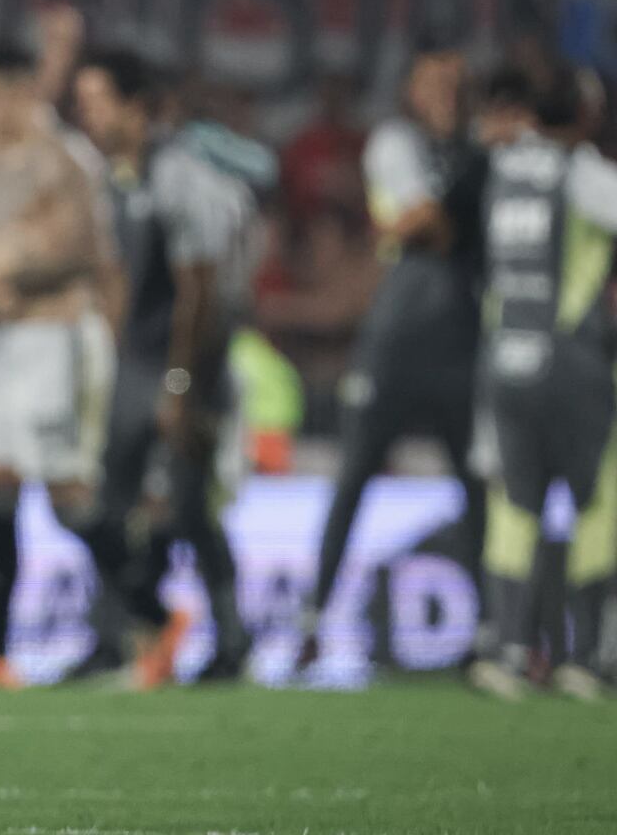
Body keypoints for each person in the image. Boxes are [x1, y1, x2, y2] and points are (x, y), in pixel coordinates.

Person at [73, 48, 261, 686]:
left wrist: (182, 386)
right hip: (136, 364)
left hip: (178, 368)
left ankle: (229, 641)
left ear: (135, 106)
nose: (88, 115)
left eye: (98, 101)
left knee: (187, 507)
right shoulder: (123, 177)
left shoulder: (178, 174)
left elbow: (200, 290)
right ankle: (128, 629)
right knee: (108, 506)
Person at [297, 45, 488, 673]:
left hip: (462, 341)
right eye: (433, 81)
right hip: (396, 340)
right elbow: (422, 224)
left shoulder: (479, 152)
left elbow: (429, 224)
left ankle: (494, 632)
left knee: (477, 485)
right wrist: (452, 204)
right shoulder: (395, 144)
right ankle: (314, 622)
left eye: (455, 82)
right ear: (410, 87)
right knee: (353, 478)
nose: (445, 95)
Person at [0, 42, 116, 685]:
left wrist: (11, 272)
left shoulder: (63, 155)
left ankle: (142, 613)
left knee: (67, 492)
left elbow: (85, 247)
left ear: (24, 92)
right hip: (1, 343)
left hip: (54, 338)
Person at [467, 69, 617, 702]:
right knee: (594, 505)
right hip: (573, 362)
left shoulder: (503, 170)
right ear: (584, 116)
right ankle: (583, 659)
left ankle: (506, 649)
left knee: (515, 506)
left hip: (507, 360)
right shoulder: (582, 172)